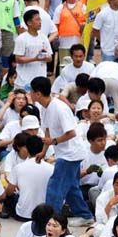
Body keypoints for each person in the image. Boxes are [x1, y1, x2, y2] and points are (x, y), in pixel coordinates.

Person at [30, 76, 94, 226]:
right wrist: (43, 151)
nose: (30, 94)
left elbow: (71, 133)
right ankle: (85, 215)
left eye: (32, 91)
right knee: (71, 188)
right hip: (64, 152)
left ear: (38, 93)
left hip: (71, 153)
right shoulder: (43, 108)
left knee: (55, 186)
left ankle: (49, 219)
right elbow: (47, 131)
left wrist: (54, 142)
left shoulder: (59, 108)